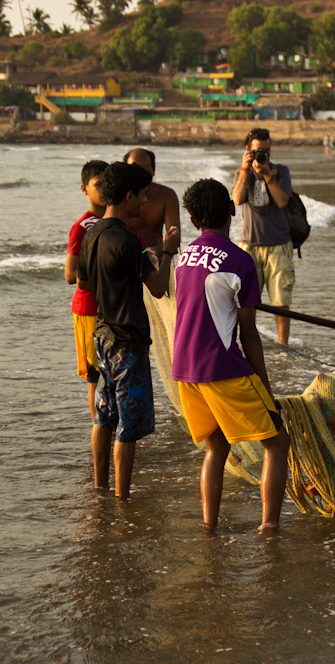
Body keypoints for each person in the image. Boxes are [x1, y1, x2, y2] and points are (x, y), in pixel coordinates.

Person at [172, 178, 291, 532]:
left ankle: (209, 527)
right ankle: (269, 527)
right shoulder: (240, 261)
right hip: (221, 366)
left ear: (193, 222)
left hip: (185, 370)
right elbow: (249, 333)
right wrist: (266, 390)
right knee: (277, 442)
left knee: (216, 448)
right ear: (231, 210)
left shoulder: (183, 258)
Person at [78, 162, 180, 498]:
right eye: (142, 196)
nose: (145, 202)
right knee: (128, 426)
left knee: (104, 416)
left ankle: (100, 487)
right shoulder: (129, 240)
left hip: (102, 335)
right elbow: (158, 287)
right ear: (128, 196)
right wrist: (165, 251)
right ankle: (122, 498)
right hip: (128, 343)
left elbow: (82, 281)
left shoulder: (91, 233)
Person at [232, 128, 294, 345]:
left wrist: (267, 173)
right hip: (249, 245)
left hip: (278, 244)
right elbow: (237, 199)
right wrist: (244, 169)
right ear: (248, 150)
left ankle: (283, 346)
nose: (264, 156)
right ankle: (249, 342)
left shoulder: (280, 171)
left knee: (280, 301)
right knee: (247, 302)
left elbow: (282, 201)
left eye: (267, 151)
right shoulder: (243, 173)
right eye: (259, 151)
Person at [65, 160, 109, 418]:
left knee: (111, 371)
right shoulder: (83, 226)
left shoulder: (114, 220)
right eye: (98, 184)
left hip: (110, 307)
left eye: (107, 183)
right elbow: (70, 275)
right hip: (89, 309)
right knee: (97, 374)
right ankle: (99, 428)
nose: (103, 189)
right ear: (85, 189)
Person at [123, 148, 181, 256]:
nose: (141, 177)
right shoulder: (119, 197)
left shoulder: (167, 195)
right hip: (127, 263)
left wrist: (149, 254)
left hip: (157, 262)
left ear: (153, 170)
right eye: (135, 171)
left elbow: (175, 239)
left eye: (145, 172)